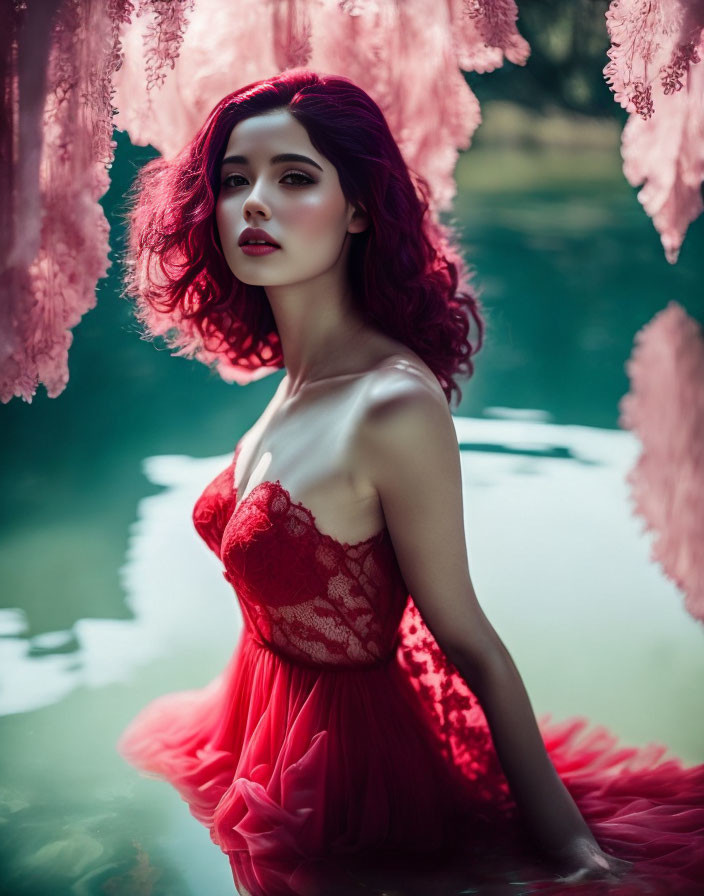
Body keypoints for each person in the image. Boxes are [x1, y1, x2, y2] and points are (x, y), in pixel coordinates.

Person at [117, 70, 704, 896]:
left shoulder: (391, 405)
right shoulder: (293, 376)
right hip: (251, 721)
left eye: (294, 178)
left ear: (358, 208)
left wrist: (573, 850)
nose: (253, 203)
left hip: (348, 780)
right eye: (234, 180)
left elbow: (468, 639)